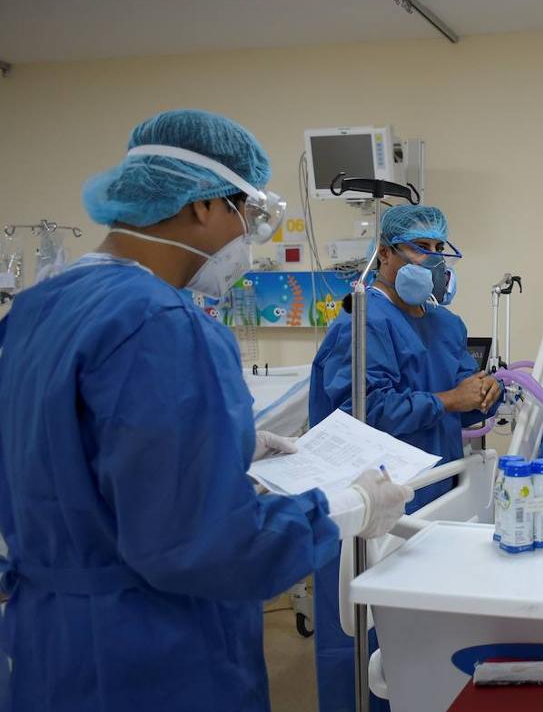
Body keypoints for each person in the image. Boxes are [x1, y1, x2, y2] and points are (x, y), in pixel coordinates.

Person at [0, 109, 412, 712]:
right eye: (246, 215)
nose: (246, 237)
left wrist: (218, 452)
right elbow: (203, 545)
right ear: (202, 206)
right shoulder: (163, 323)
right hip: (151, 654)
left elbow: (62, 456)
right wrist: (346, 508)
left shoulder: (40, 307)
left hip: (49, 641)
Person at [309, 204, 502, 712]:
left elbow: (463, 392)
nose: (434, 259)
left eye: (441, 249)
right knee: (366, 637)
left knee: (424, 636)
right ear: (387, 254)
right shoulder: (364, 320)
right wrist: (449, 400)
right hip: (372, 499)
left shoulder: (446, 323)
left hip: (435, 492)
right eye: (421, 247)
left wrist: (485, 393)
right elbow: (366, 411)